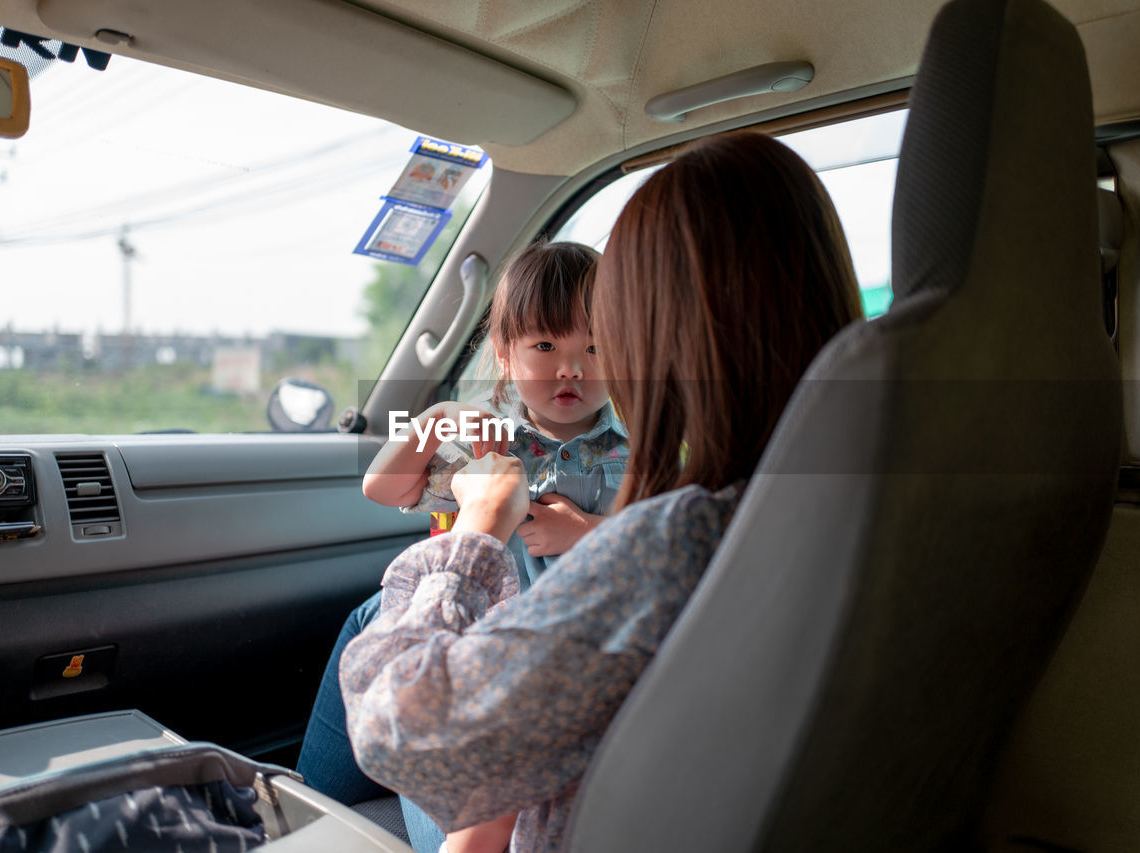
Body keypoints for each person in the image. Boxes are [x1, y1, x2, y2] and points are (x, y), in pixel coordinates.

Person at [338, 130, 865, 853]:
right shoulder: (840, 505)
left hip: (534, 765)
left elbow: (404, 731)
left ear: (656, 335)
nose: (580, 365)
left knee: (367, 629)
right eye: (549, 345)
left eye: (606, 331)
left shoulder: (681, 535)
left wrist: (477, 530)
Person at [296, 241, 629, 851]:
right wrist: (437, 417)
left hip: (547, 666)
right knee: (372, 615)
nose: (572, 369)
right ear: (504, 353)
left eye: (595, 347)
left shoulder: (631, 451)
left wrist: (585, 533)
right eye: (547, 346)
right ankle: (312, 800)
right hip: (481, 642)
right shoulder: (485, 437)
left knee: (375, 619)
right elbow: (383, 486)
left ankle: (318, 800)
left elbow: (650, 544)